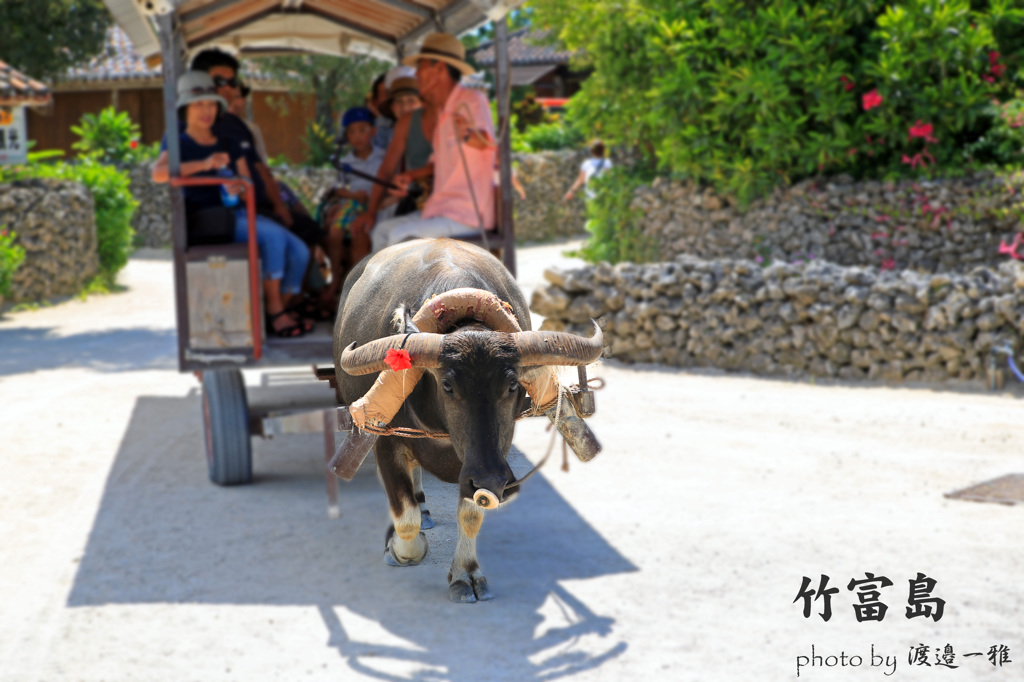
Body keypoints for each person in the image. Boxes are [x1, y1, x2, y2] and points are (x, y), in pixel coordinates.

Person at [152, 71, 311, 337]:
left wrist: (239, 187)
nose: (207, 110)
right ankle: (275, 311)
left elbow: (247, 186)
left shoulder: (229, 143)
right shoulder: (179, 143)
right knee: (274, 238)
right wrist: (205, 165)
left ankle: (276, 313)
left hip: (237, 213)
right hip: (208, 219)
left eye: (211, 104)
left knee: (300, 251)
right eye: (199, 104)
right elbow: (158, 173)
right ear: (185, 108)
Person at [191, 49, 328, 261]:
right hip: (224, 215)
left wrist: (277, 205)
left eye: (232, 82)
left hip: (256, 207)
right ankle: (281, 294)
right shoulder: (188, 129)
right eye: (219, 81)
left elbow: (258, 169)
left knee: (308, 236)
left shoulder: (236, 125)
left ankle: (316, 289)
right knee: (288, 240)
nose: (228, 88)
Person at [366, 33, 497, 253]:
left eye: (421, 66)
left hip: (467, 215)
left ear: (440, 69)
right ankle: (383, 289)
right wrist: (410, 176)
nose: (416, 74)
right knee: (381, 230)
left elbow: (485, 142)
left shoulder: (473, 99)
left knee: (401, 237)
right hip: (440, 210)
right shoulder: (444, 114)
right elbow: (436, 164)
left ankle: (402, 289)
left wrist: (467, 134)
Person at [349, 67, 433, 241]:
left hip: (436, 202)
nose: (405, 107)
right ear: (392, 106)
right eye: (399, 102)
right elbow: (386, 171)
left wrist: (410, 178)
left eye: (411, 100)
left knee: (389, 233)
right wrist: (371, 212)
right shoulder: (400, 128)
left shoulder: (436, 121)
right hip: (408, 200)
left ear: (422, 103)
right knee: (372, 229)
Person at [320, 106, 386, 301]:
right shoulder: (345, 161)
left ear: (373, 131)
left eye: (362, 130)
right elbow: (337, 188)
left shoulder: (383, 157)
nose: (357, 136)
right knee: (334, 233)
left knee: (359, 234)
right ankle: (335, 282)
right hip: (352, 203)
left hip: (377, 205)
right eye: (352, 131)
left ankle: (360, 289)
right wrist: (353, 195)